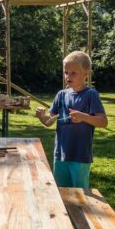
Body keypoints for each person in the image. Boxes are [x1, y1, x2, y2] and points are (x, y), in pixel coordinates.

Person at [35, 50, 108, 189]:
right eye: (66, 72)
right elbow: (49, 121)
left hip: (80, 156)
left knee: (80, 195)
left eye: (73, 73)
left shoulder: (90, 95)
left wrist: (83, 117)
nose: (68, 76)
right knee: (62, 194)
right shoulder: (61, 95)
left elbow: (103, 122)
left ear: (86, 74)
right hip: (61, 155)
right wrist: (42, 117)